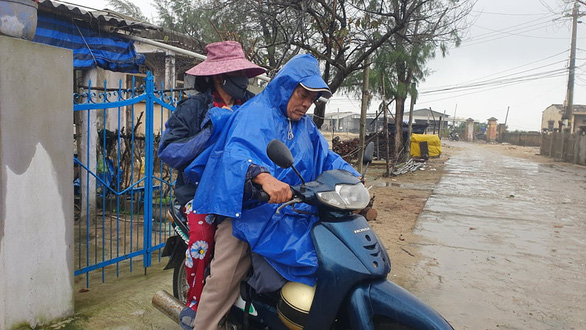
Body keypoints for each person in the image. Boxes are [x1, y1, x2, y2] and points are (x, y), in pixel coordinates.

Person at [186, 54, 360, 328]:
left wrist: (354, 181)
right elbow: (235, 152)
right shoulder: (254, 113)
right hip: (249, 212)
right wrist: (262, 176)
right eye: (302, 94)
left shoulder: (306, 127)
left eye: (312, 99)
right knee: (225, 277)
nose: (306, 104)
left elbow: (327, 158)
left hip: (291, 212)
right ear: (286, 86)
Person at [157, 40, 265, 330]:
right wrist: (209, 132)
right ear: (219, 77)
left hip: (240, 189)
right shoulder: (194, 107)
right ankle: (196, 305)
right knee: (203, 234)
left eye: (245, 74)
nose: (245, 81)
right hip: (198, 193)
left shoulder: (251, 105)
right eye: (238, 75)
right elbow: (168, 150)